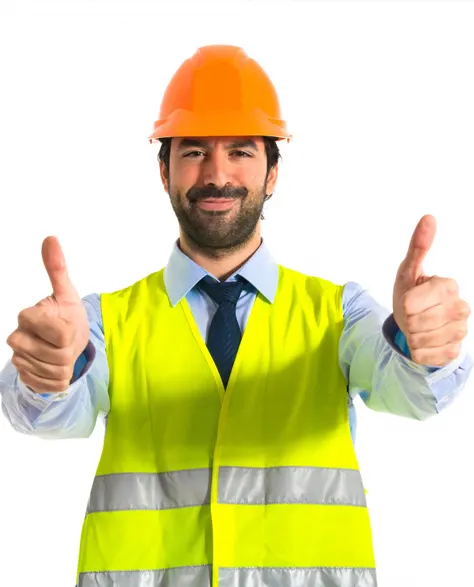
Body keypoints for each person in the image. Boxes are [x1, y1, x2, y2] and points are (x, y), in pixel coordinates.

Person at [0, 45, 472, 587]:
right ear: (164, 171)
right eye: (194, 150)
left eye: (242, 151)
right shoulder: (103, 324)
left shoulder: (339, 316)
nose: (217, 174)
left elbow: (414, 394)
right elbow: (47, 415)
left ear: (273, 172)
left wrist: (425, 351)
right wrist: (46, 375)